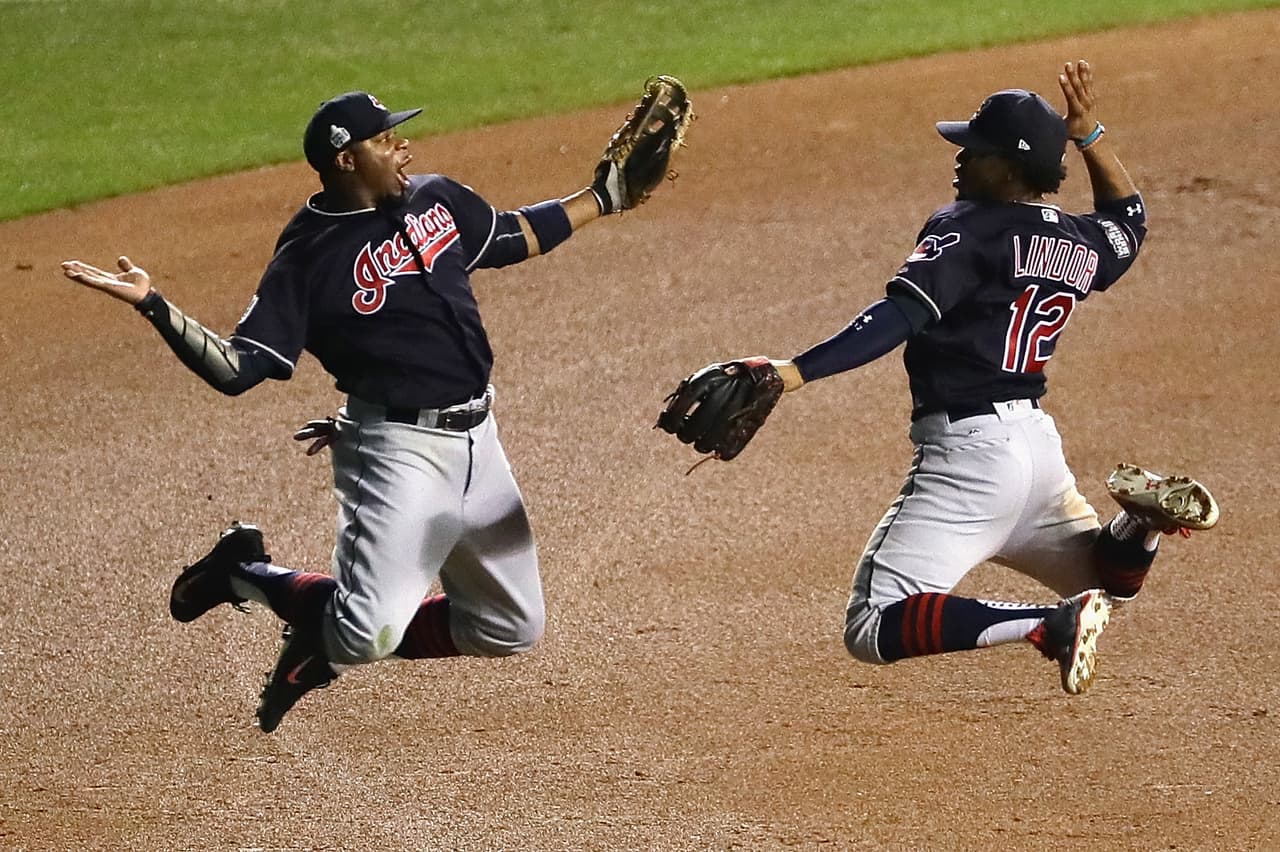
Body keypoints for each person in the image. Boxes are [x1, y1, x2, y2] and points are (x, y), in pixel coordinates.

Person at [62, 89, 671, 732]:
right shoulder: (309, 255)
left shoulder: (435, 197)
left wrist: (603, 198)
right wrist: (153, 304)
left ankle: (318, 637)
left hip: (479, 440)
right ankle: (241, 569)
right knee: (362, 634)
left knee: (510, 624)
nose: (402, 146)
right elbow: (237, 368)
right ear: (347, 160)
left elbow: (510, 234)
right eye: (383, 140)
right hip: (399, 452)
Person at [748, 60, 1218, 693]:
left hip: (969, 461)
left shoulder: (966, 227)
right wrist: (1090, 135)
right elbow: (1128, 220)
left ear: (1011, 167)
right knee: (1105, 582)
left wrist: (795, 371)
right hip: (1036, 455)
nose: (962, 158)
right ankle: (1139, 525)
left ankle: (1047, 625)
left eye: (979, 150)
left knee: (873, 624)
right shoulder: (1079, 240)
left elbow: (900, 316)